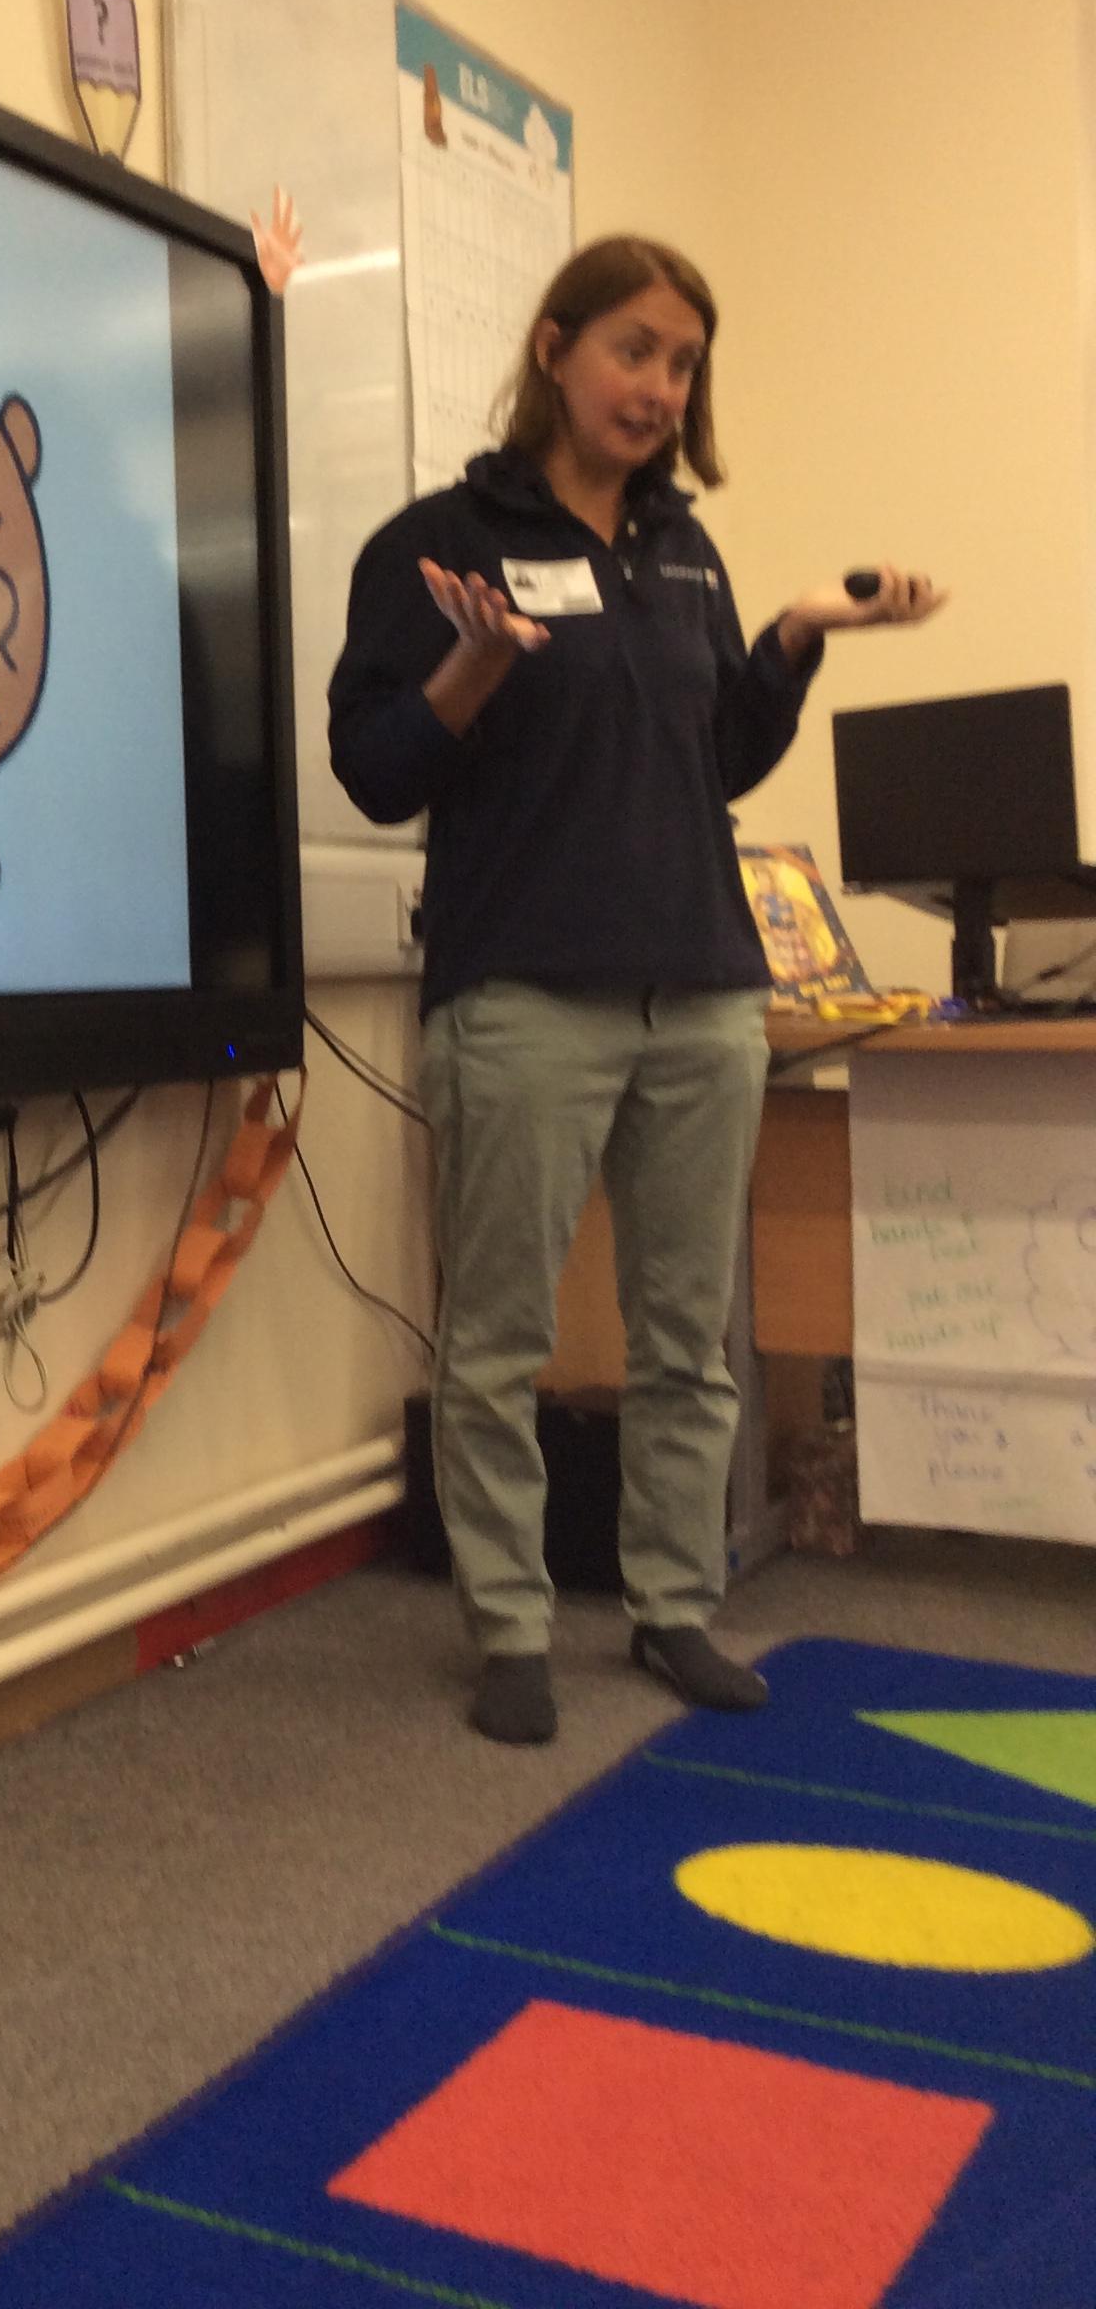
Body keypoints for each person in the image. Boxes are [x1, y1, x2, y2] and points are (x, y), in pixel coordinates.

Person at [327, 235, 945, 1745]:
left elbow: (715, 758)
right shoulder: (438, 542)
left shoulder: (682, 551)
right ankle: (511, 1628)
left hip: (703, 992)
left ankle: (673, 1608)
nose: (660, 387)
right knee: (499, 1342)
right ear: (554, 349)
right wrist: (473, 666)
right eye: (635, 350)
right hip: (524, 994)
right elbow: (377, 770)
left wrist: (794, 635)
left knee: (689, 1339)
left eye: (683, 364)